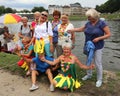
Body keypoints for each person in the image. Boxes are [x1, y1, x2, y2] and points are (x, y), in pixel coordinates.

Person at [68, 9, 111, 87]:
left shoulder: (102, 23)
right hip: (88, 46)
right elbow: (81, 29)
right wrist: (72, 30)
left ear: (94, 16)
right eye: (88, 17)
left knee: (98, 63)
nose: (88, 19)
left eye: (89, 17)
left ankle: (99, 79)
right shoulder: (88, 23)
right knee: (89, 60)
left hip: (98, 46)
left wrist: (99, 38)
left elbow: (108, 34)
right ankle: (89, 74)